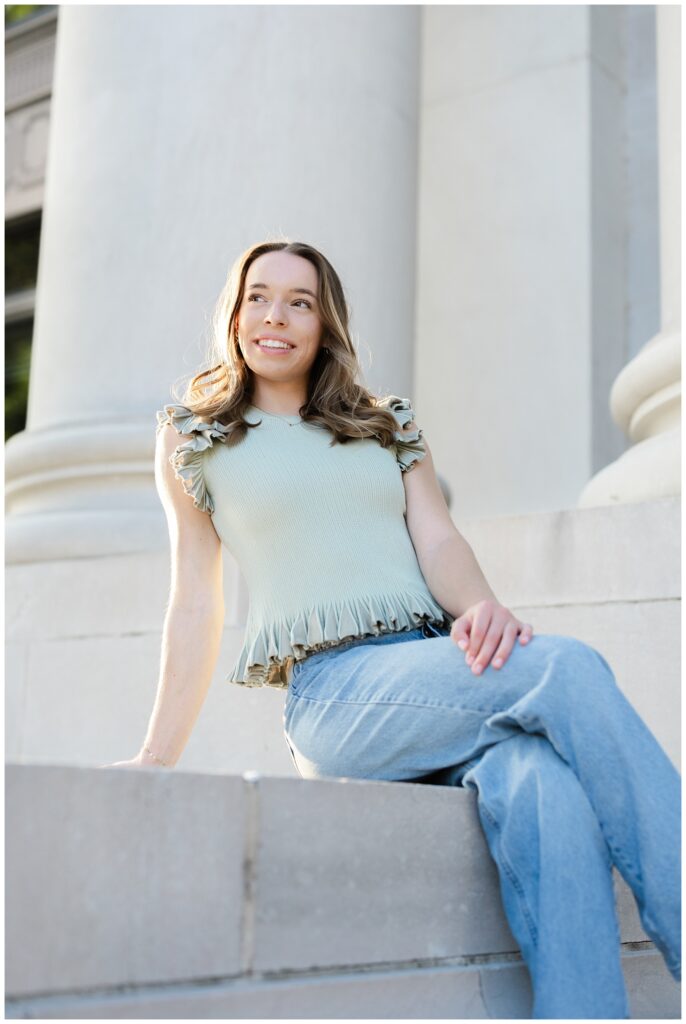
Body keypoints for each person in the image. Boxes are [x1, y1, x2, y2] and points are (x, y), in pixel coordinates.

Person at [103, 239, 681, 1018]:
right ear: (234, 314)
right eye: (258, 297)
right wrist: (155, 755)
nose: (275, 315)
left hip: (431, 671)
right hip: (336, 696)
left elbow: (439, 540)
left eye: (300, 301)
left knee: (544, 787)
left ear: (324, 321)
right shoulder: (197, 437)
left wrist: (479, 610)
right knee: (566, 669)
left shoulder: (383, 425)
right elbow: (196, 601)